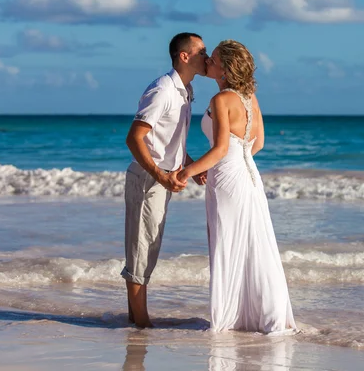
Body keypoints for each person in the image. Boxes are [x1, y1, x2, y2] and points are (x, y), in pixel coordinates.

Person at [178, 40, 297, 334]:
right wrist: (236, 157)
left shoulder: (221, 101)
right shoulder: (250, 98)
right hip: (249, 176)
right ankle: (259, 315)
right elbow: (259, 143)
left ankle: (230, 318)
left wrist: (186, 172)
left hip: (227, 179)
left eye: (213, 58)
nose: (208, 61)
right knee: (252, 243)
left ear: (225, 68)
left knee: (229, 243)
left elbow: (218, 150)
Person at [121, 32, 208, 328]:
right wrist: (160, 175)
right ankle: (142, 327)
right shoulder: (163, 89)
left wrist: (190, 164)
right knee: (141, 250)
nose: (207, 57)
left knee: (148, 247)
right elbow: (135, 138)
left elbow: (168, 140)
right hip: (148, 180)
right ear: (185, 56)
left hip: (161, 179)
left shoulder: (185, 90)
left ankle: (135, 321)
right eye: (202, 51)